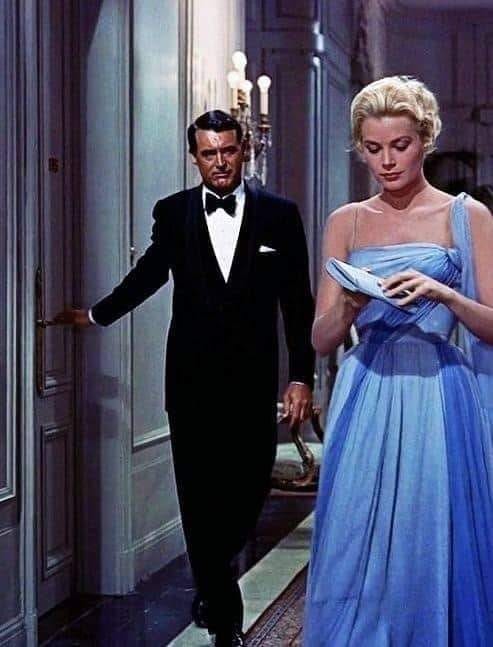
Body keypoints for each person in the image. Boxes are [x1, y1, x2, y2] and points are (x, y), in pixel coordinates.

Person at [54, 110, 315, 647]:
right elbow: (147, 275)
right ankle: (224, 618)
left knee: (247, 491)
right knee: (198, 498)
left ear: (244, 149)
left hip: (253, 381)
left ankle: (212, 579)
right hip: (191, 380)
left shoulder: (280, 215)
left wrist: (301, 378)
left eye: (228, 151)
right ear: (193, 157)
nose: (220, 162)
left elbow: (298, 301)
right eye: (208, 153)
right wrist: (96, 316)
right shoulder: (173, 213)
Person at [303, 76, 493, 646]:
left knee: (427, 528)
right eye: (373, 148)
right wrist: (350, 305)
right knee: (355, 530)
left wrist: (444, 294)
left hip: (439, 389)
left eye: (400, 145)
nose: (386, 161)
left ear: (426, 140)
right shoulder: (346, 221)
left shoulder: (468, 216)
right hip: (366, 387)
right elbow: (321, 338)